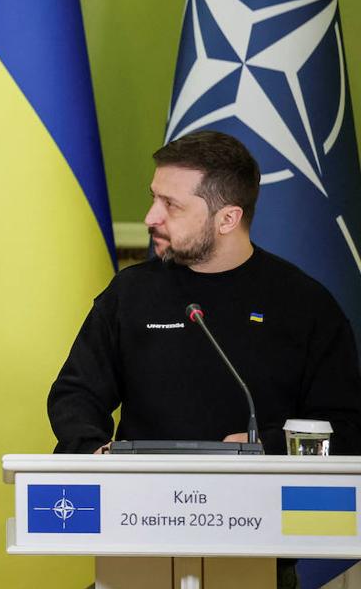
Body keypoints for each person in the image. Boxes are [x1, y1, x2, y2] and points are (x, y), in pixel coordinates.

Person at [48, 130, 361, 457]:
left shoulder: (305, 305)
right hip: (140, 499)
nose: (150, 218)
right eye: (154, 197)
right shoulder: (130, 293)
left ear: (228, 219)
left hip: (264, 500)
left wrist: (265, 447)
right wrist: (92, 450)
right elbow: (76, 395)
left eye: (171, 205)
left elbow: (345, 428)